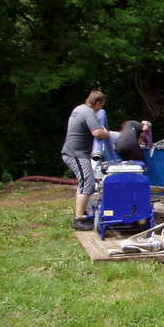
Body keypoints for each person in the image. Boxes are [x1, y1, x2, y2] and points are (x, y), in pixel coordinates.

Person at [61, 90, 109, 231]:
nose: (100, 109)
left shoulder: (79, 108)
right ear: (98, 103)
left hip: (75, 153)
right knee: (88, 183)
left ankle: (81, 214)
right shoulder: (88, 112)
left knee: (84, 183)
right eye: (101, 106)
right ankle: (78, 219)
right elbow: (97, 132)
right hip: (75, 154)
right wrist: (106, 133)